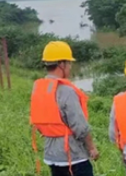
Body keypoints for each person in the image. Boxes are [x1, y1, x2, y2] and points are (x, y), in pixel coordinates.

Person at [30, 41, 99, 176]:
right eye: (69, 63)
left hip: (51, 156)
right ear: (61, 64)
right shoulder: (66, 91)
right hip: (72, 157)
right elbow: (80, 127)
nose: (70, 67)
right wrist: (92, 148)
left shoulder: (38, 88)